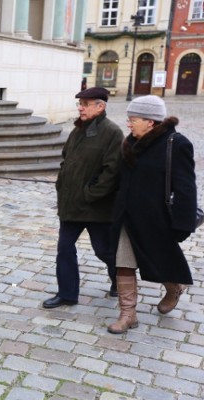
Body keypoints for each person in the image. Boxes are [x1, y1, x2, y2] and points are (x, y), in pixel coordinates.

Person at [108, 95, 197, 334]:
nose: (129, 124)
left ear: (151, 121)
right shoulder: (131, 142)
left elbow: (186, 187)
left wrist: (183, 224)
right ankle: (128, 315)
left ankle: (174, 287)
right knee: (123, 264)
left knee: (160, 263)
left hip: (157, 220)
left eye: (133, 119)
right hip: (128, 216)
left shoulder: (175, 144)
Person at [43, 87, 123, 309]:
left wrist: (90, 194)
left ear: (100, 106)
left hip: (96, 207)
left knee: (104, 250)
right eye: (80, 103)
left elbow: (112, 172)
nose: (80, 107)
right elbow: (66, 160)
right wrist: (62, 184)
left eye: (86, 104)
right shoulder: (78, 130)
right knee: (65, 248)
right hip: (71, 205)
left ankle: (120, 280)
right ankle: (67, 294)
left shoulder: (112, 132)